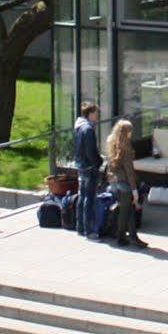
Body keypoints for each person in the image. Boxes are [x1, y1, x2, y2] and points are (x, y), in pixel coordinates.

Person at [103, 118, 144, 248]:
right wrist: (135, 190)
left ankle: (133, 236)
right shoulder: (125, 148)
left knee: (128, 209)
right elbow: (129, 171)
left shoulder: (111, 142)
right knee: (125, 211)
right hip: (125, 183)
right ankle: (121, 237)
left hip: (114, 181)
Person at [70, 102, 103, 239]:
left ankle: (80, 227)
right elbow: (91, 152)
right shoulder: (88, 129)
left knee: (82, 196)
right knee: (89, 198)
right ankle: (89, 230)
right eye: (96, 113)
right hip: (89, 167)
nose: (97, 116)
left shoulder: (78, 127)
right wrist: (99, 162)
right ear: (90, 113)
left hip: (81, 165)